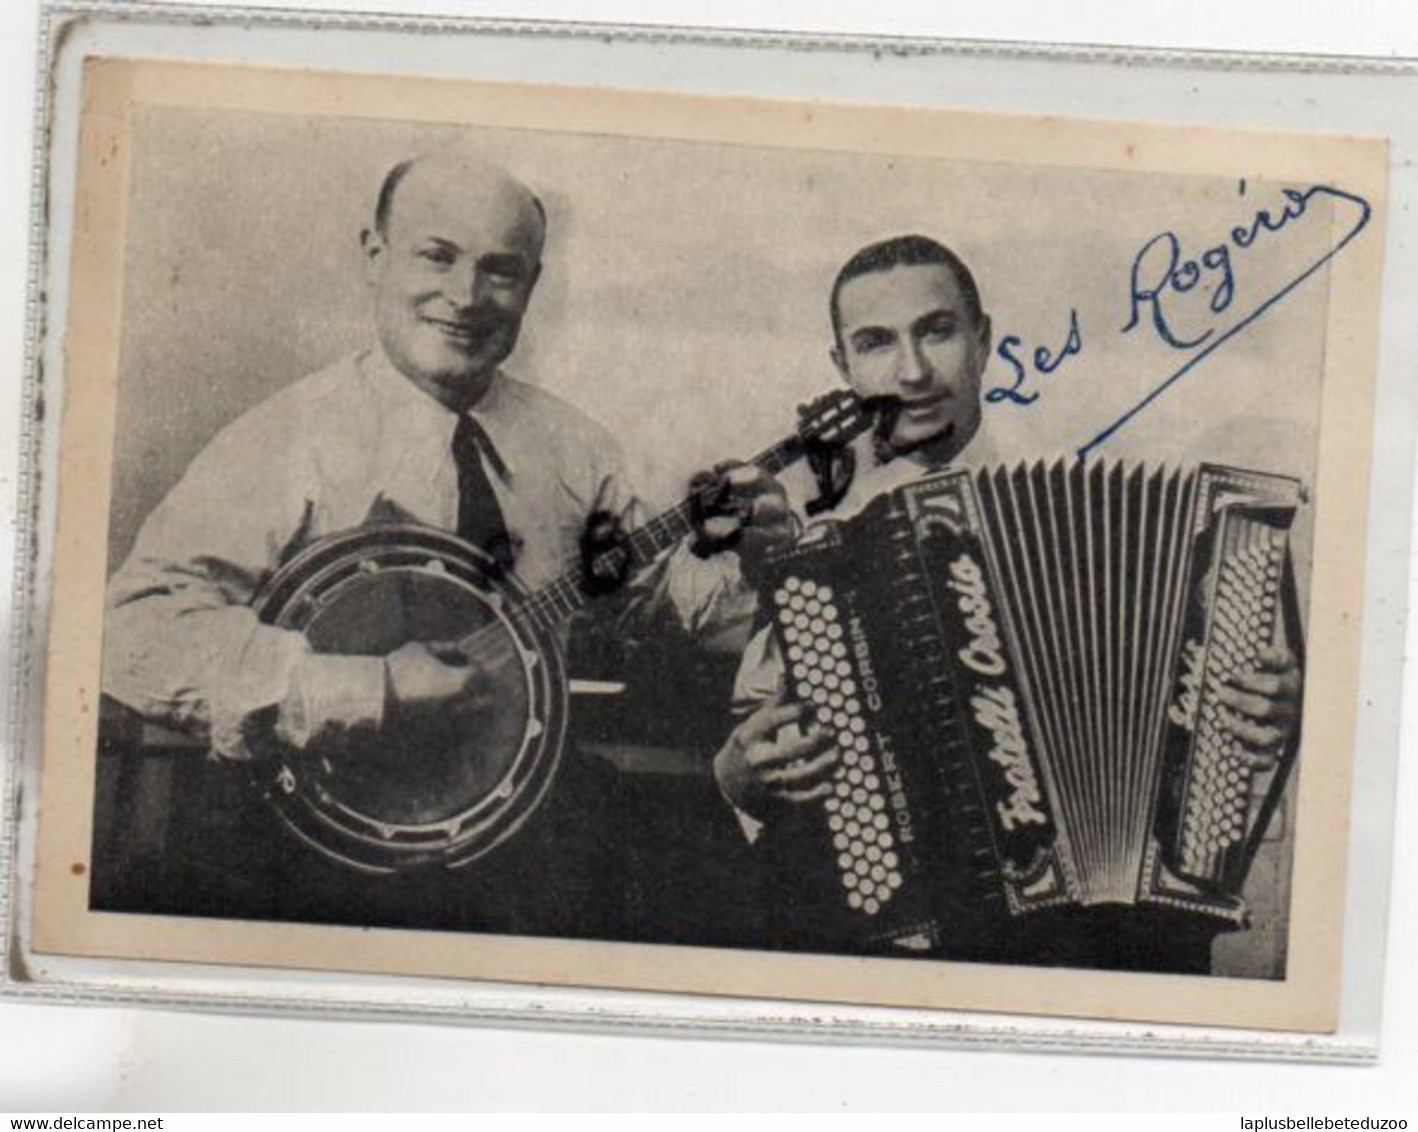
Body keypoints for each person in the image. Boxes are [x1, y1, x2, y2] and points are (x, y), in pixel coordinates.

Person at [97, 149, 792, 934]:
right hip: (320, 855)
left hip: (523, 844)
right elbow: (131, 632)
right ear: (374, 255)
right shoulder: (285, 439)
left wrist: (758, 561)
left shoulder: (575, 449)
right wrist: (370, 688)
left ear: (531, 285)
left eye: (501, 270)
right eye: (438, 256)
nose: (465, 296)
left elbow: (663, 612)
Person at [711, 234, 1304, 971]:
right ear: (843, 369)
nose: (913, 370)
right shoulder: (812, 533)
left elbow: (1197, 705)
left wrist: (1261, 710)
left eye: (937, 330)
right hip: (898, 917)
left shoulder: (1095, 500)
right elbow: (756, 745)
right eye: (875, 343)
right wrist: (735, 777)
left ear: (983, 340)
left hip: (1088, 927)